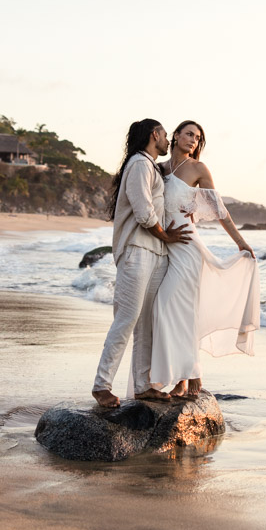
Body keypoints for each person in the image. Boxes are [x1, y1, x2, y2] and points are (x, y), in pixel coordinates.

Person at [148, 120, 260, 399]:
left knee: (166, 306)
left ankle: (186, 378)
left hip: (186, 246)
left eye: (197, 138)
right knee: (177, 313)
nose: (193, 140)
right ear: (174, 136)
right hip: (164, 245)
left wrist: (240, 242)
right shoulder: (159, 168)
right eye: (188, 134)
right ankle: (191, 377)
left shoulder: (198, 169)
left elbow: (219, 209)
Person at [91, 119, 192, 409]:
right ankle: (102, 385)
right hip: (137, 250)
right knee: (127, 318)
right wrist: (167, 235)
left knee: (146, 322)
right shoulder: (139, 164)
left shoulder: (150, 166)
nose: (166, 139)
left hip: (155, 252)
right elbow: (144, 211)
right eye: (163, 134)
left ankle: (143, 384)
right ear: (154, 135)